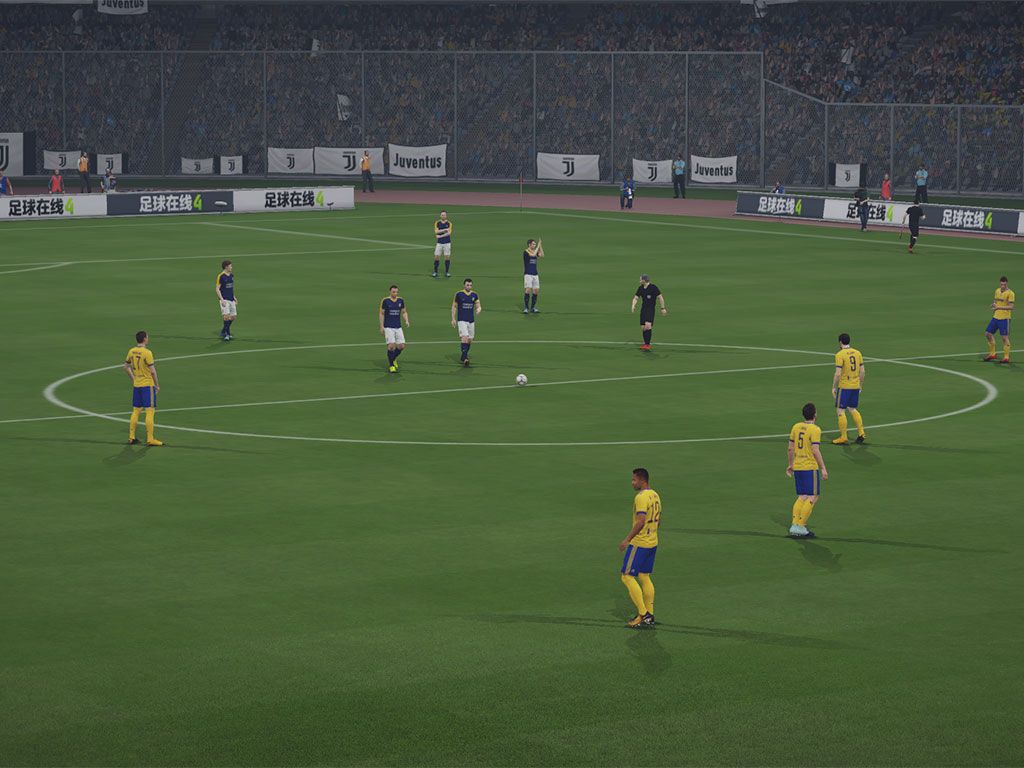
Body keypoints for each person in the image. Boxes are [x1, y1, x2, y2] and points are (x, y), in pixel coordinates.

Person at [618, 467, 660, 629]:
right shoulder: (655, 495)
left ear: (642, 480)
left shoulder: (641, 497)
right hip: (652, 542)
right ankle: (650, 615)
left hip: (640, 543)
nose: (632, 483)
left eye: (634, 480)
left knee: (626, 577)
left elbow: (641, 521)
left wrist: (627, 539)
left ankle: (643, 614)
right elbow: (659, 519)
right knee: (644, 576)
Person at [786, 402, 828, 539]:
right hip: (810, 467)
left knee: (802, 496)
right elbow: (815, 450)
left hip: (798, 466)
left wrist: (791, 464)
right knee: (813, 496)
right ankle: (801, 526)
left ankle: (794, 525)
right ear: (815, 414)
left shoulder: (796, 427)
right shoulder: (815, 429)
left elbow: (790, 448)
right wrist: (823, 468)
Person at [123, 330, 162, 446]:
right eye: (147, 337)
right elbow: (153, 372)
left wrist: (133, 379)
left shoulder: (131, 351)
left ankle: (131, 437)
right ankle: (150, 439)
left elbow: (126, 367)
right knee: (150, 411)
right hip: (147, 385)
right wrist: (157, 385)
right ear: (144, 339)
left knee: (136, 411)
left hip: (137, 385)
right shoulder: (147, 353)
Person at [831, 333, 867, 445]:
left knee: (840, 410)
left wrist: (833, 387)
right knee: (852, 409)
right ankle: (861, 433)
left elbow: (838, 374)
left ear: (840, 342)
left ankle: (843, 436)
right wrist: (860, 385)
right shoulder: (858, 353)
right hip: (855, 385)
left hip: (845, 386)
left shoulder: (840, 354)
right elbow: (863, 371)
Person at [631, 274, 667, 350]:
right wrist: (633, 305)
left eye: (640, 279)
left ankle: (647, 344)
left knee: (648, 326)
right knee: (643, 327)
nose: (639, 281)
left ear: (644, 280)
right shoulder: (641, 288)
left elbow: (660, 297)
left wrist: (662, 308)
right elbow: (636, 298)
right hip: (643, 309)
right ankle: (645, 343)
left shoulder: (653, 288)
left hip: (650, 309)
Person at [379, 284, 410, 372]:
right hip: (388, 326)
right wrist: (381, 326)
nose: (395, 294)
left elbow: (404, 312)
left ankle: (393, 358)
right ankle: (391, 365)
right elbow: (381, 313)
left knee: (401, 346)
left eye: (396, 292)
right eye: (393, 292)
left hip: (398, 326)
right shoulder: (385, 301)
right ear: (390, 292)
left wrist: (406, 320)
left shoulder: (400, 300)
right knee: (391, 346)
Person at [451, 278, 481, 366]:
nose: (469, 286)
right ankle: (465, 358)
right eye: (467, 285)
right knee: (464, 337)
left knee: (470, 339)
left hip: (471, 320)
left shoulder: (474, 294)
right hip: (462, 320)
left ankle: (463, 356)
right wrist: (453, 318)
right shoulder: (459, 294)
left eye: (470, 285)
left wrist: (479, 309)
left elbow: (478, 305)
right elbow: (454, 306)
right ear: (464, 285)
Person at [984, 276, 1014, 364]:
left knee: (1004, 337)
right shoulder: (997, 291)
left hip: (1004, 318)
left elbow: (1011, 307)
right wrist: (994, 305)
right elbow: (996, 301)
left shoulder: (1010, 293)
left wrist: (998, 307)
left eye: (1004, 284)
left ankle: (1006, 357)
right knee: (988, 334)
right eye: (1001, 284)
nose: (1003, 286)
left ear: (1007, 284)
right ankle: (992, 354)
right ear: (1000, 283)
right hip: (996, 317)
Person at [216, 260, 237, 340]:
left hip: (231, 299)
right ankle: (227, 334)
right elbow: (217, 289)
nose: (231, 267)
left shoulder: (231, 275)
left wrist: (234, 297)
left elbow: (230, 287)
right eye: (230, 266)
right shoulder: (221, 276)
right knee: (226, 317)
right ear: (226, 267)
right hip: (224, 299)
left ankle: (223, 330)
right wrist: (222, 300)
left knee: (233, 317)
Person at [522, 238, 543, 314]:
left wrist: (540, 246)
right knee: (528, 289)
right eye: (533, 244)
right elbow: (533, 255)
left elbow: (542, 255)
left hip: (535, 274)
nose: (534, 245)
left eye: (535, 244)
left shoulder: (535, 251)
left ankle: (533, 308)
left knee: (536, 291)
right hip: (528, 274)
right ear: (529, 244)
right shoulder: (526, 252)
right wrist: (538, 246)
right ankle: (526, 308)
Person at [432, 209, 452, 278]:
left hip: (447, 243)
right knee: (436, 257)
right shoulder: (437, 223)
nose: (443, 216)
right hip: (439, 243)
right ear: (440, 216)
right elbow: (436, 232)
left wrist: (440, 235)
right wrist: (445, 230)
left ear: (446, 216)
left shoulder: (449, 223)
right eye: (442, 215)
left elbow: (449, 233)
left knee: (447, 257)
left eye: (444, 215)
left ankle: (447, 272)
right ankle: (435, 272)